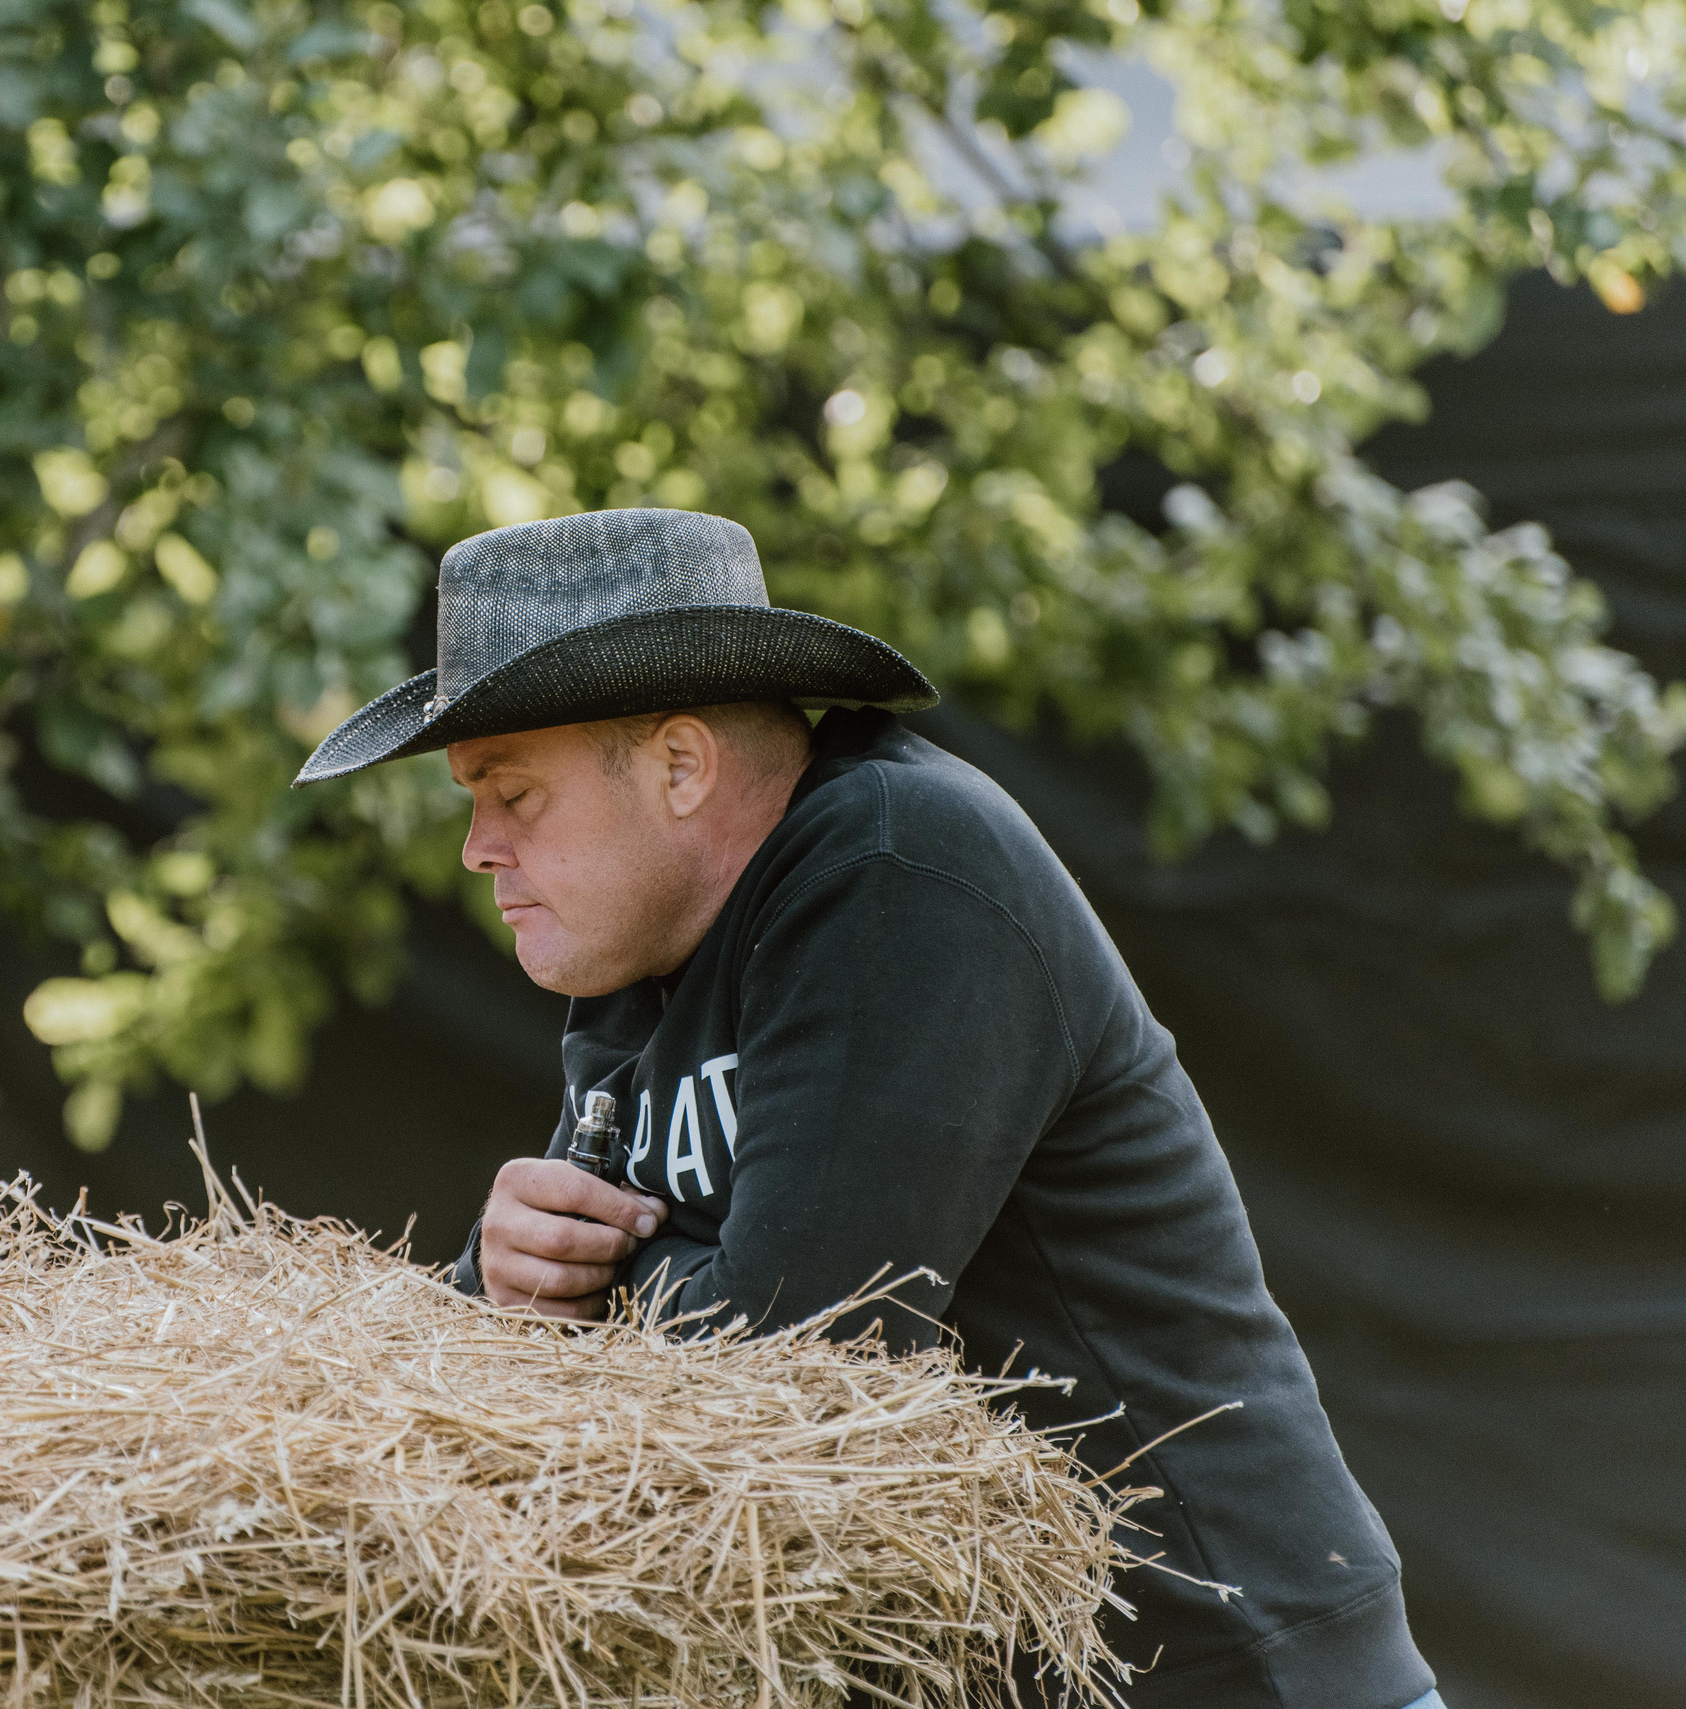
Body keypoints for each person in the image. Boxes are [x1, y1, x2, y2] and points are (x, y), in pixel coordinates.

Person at [294, 509, 1444, 1709]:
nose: (478, 847)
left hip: (1221, 1672)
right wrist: (500, 1276)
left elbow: (796, 1361)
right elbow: (558, 1361)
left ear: (681, 766)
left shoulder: (894, 865)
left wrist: (595, 1288)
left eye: (513, 793)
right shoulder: (638, 958)